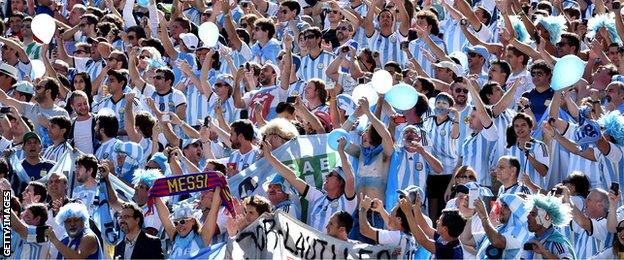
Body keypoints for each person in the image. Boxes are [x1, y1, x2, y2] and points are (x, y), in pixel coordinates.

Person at [263, 137, 356, 232]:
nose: (327, 175)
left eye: (331, 174)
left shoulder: (347, 202)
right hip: (314, 246)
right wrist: (269, 156)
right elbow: (292, 177)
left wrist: (340, 150)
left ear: (340, 182)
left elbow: (350, 178)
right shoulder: (318, 196)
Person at [523, 194, 575, 259]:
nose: (528, 217)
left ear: (546, 217)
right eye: (529, 213)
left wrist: (544, 252)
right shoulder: (531, 240)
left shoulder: (557, 242)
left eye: (533, 214)